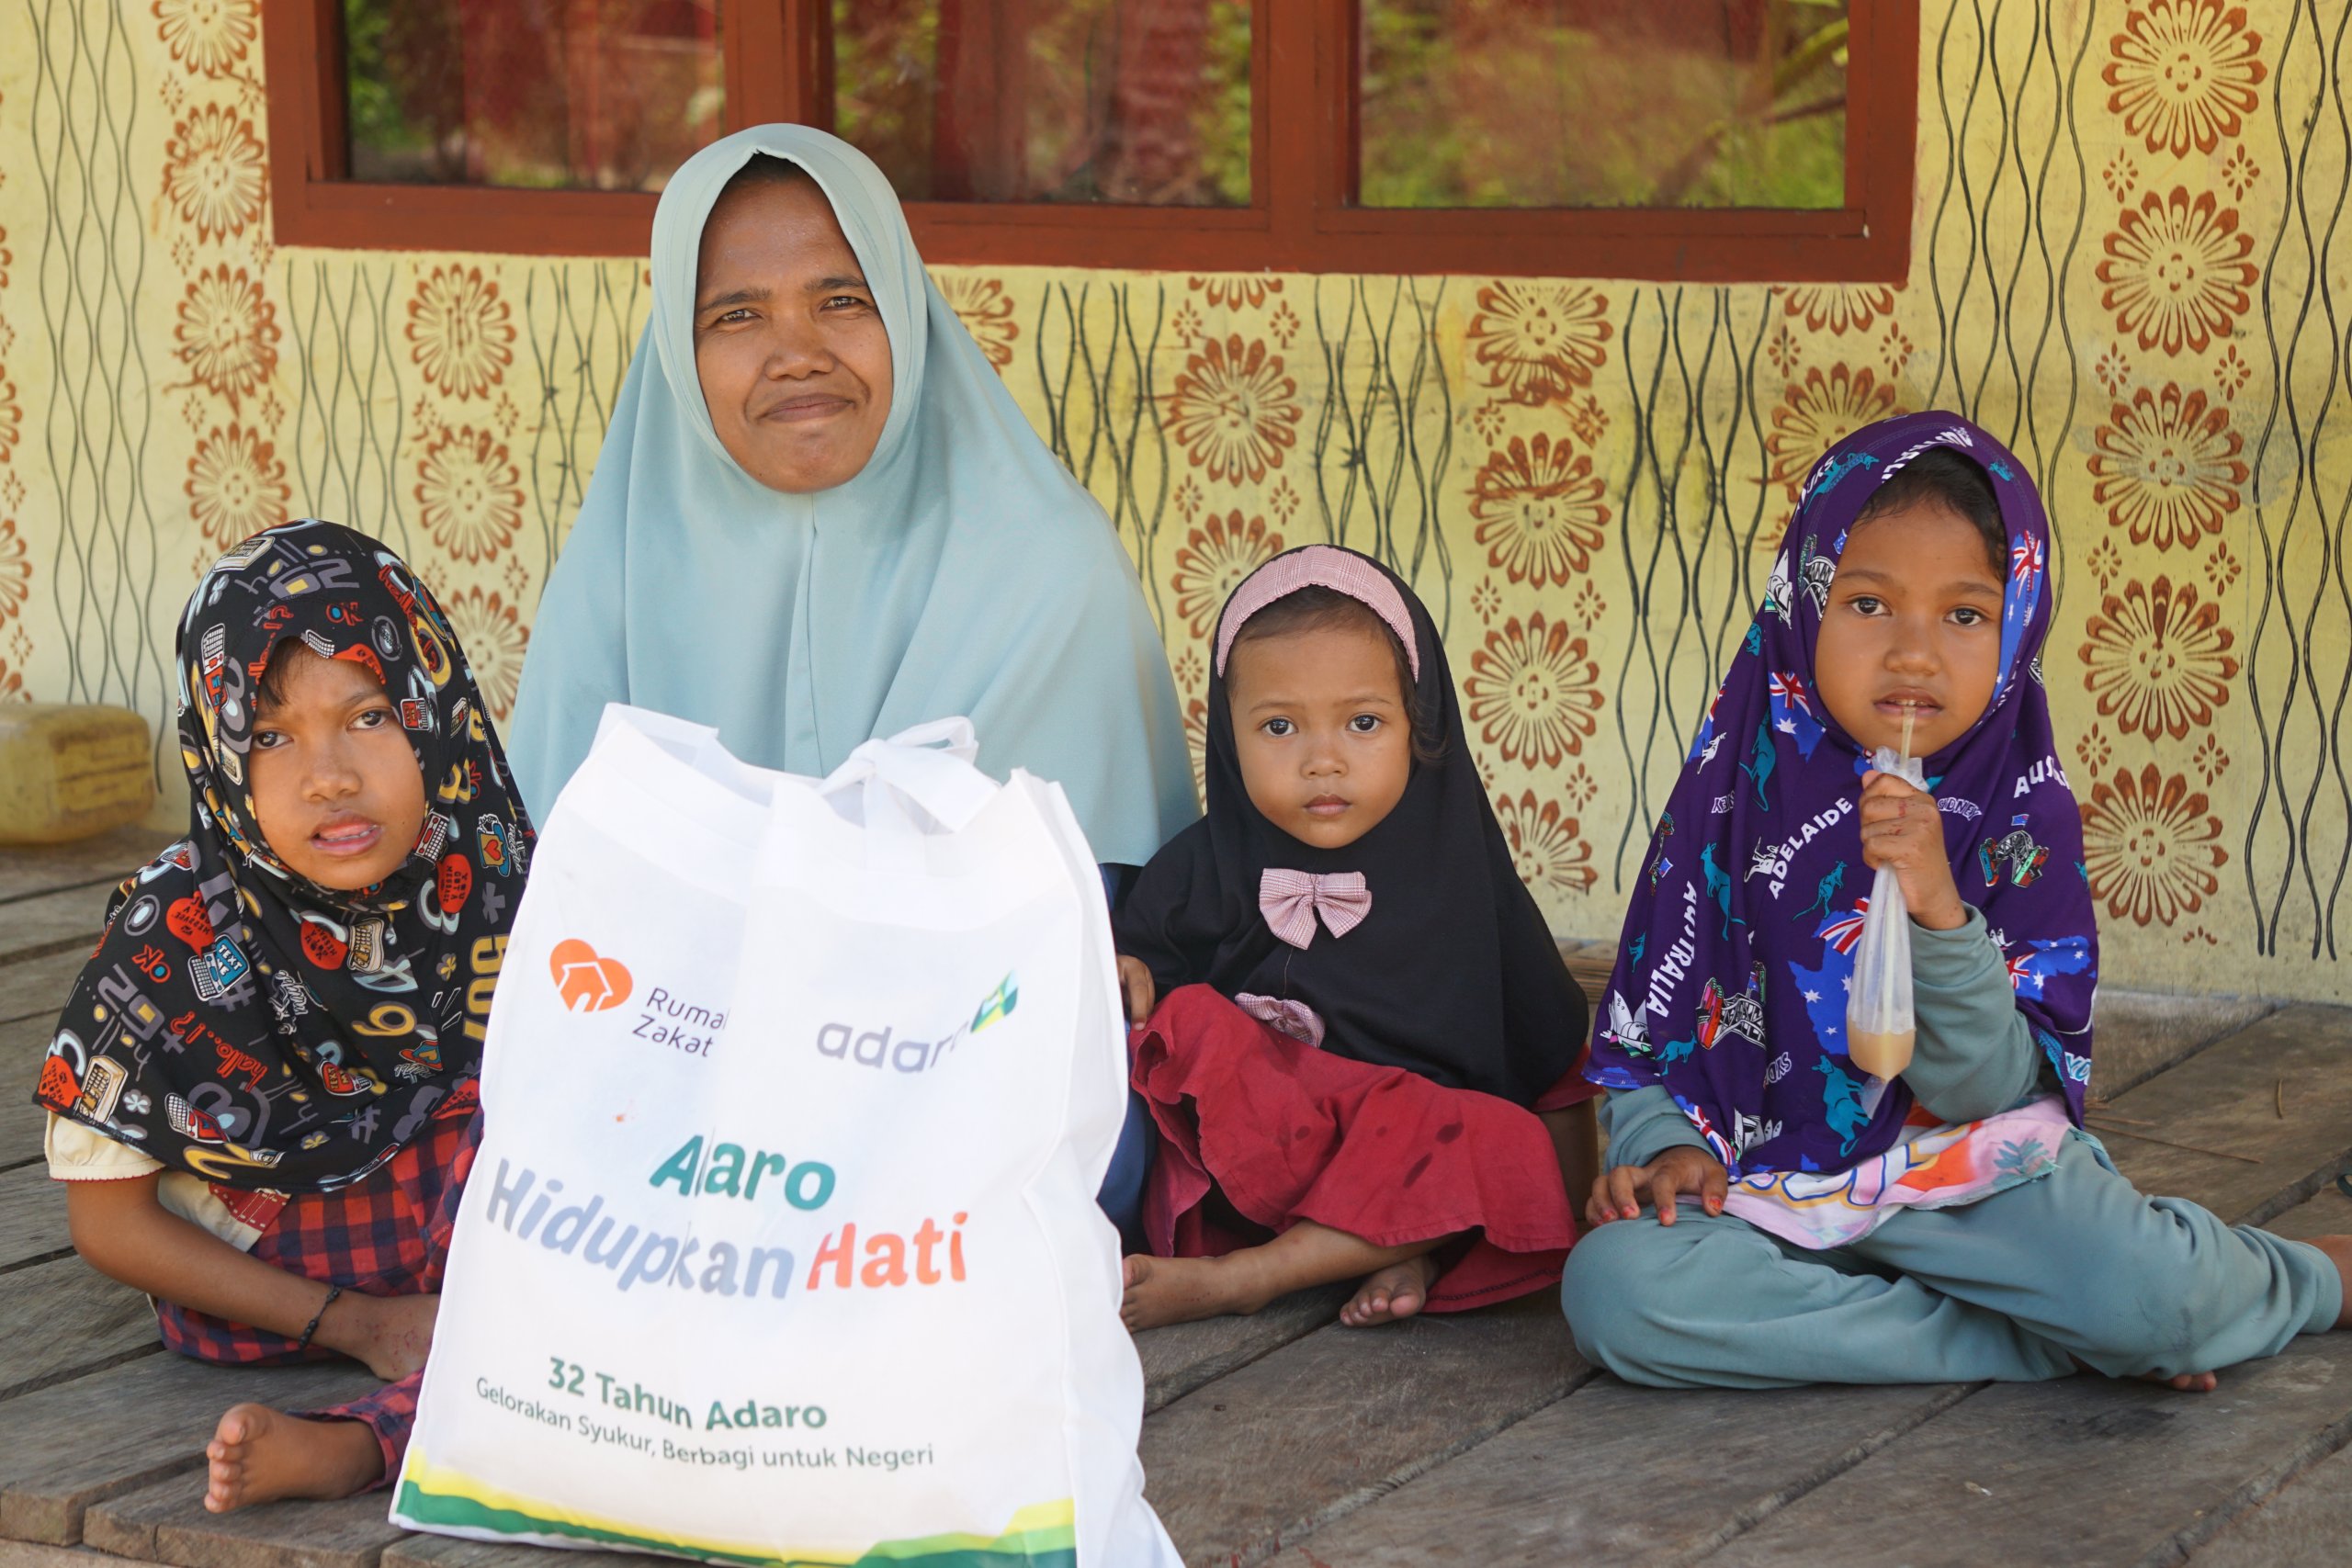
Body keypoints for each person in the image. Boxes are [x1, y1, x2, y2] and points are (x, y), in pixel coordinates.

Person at [1563, 413, 2352, 1389]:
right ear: (1801, 602)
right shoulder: (1729, 796)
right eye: (1867, 604)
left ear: (2017, 627)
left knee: (2158, 1295)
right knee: (1617, 1293)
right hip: (1764, 1187)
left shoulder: (2022, 811)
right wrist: (1671, 1148)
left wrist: (1937, 908)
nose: (1914, 653)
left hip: (1968, 1179)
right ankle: (2050, 1341)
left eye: (1966, 616)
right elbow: (1650, 1045)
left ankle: (2301, 1279)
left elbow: (1988, 1088)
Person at [505, 125, 1194, 1233]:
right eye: (736, 316)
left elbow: (1078, 961)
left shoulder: (1047, 570)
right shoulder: (620, 578)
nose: (797, 352)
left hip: (951, 1075)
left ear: (906, 313)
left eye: (841, 300)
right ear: (678, 349)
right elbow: (562, 929)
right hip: (675, 1071)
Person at [33, 520, 529, 1508]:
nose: (328, 775)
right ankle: (386, 1426)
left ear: (435, 710)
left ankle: (360, 1445)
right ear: (216, 753)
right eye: (268, 736)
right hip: (278, 1279)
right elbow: (108, 1221)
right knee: (558, 1296)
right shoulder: (174, 931)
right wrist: (360, 1325)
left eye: (370, 715)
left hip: (479, 1246)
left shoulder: (497, 868)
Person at [1112, 545, 1598, 1331]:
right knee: (1180, 1019)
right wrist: (1123, 967)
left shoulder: (1465, 878)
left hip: (1404, 1161)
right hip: (1252, 1154)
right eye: (1278, 726)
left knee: (1506, 1141)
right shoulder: (1204, 865)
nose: (1323, 760)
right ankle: (1390, 1253)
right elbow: (1138, 972)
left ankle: (1255, 1276)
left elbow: (1554, 1062)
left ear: (1419, 724)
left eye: (1363, 722)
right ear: (1229, 738)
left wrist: (1574, 1228)